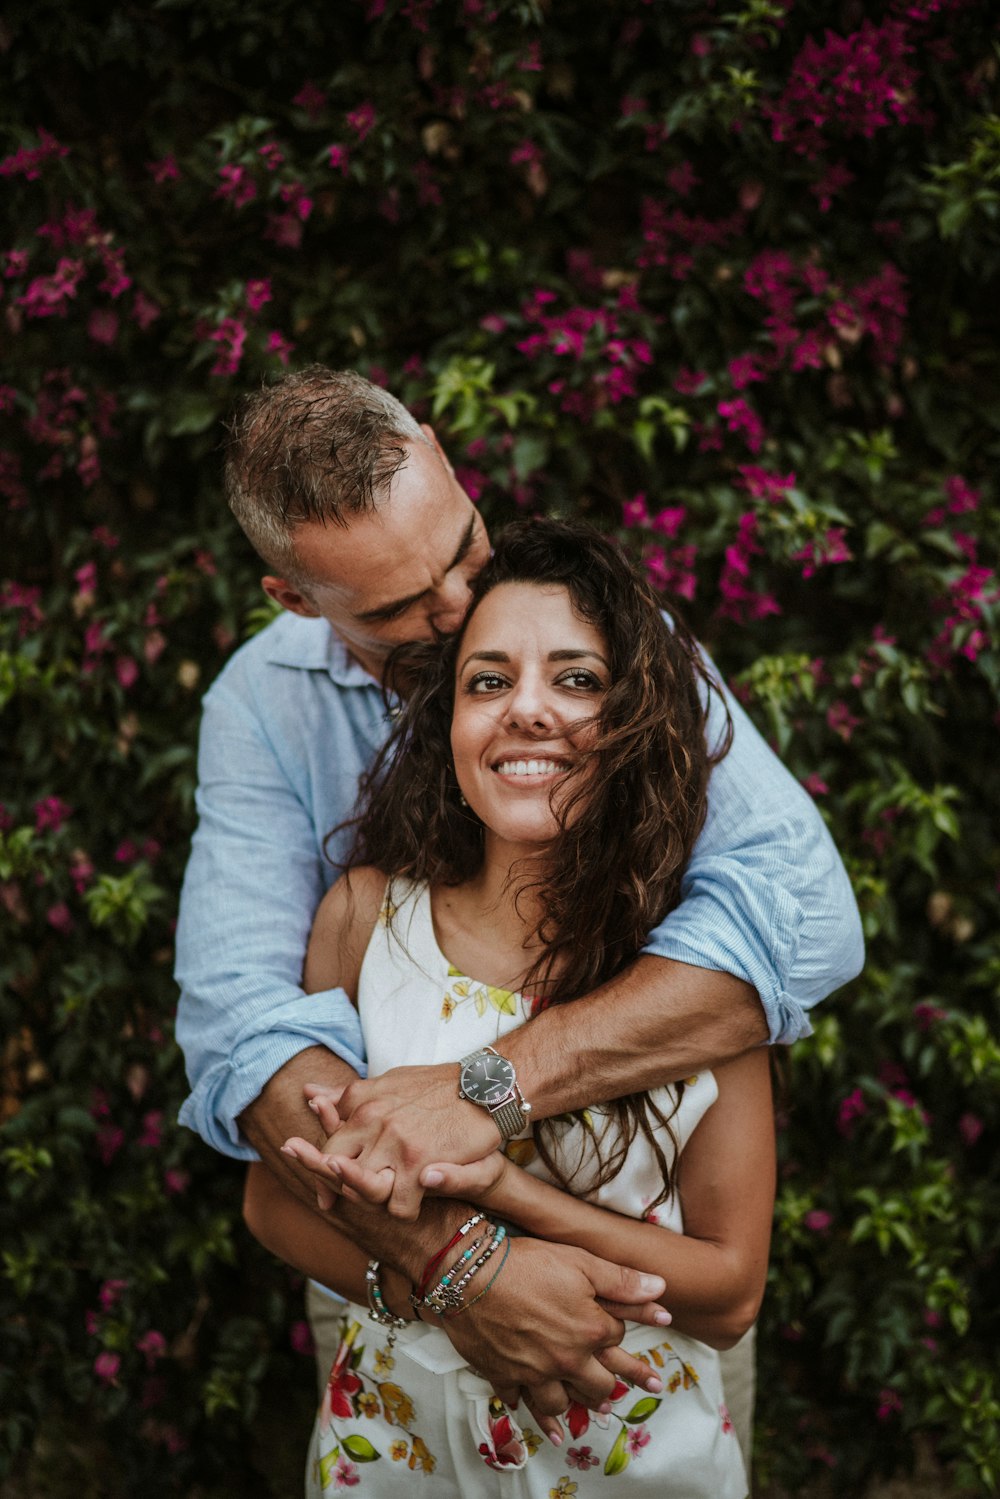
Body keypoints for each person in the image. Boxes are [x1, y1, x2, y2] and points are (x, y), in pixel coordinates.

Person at [174, 366, 863, 1455]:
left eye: (463, 550)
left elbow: (804, 917)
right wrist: (453, 1265)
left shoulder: (610, 644)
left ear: (449, 461)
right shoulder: (264, 708)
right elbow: (242, 1029)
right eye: (400, 610)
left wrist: (483, 1089)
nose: (455, 617)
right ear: (296, 600)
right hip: (387, 1304)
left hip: (639, 1315)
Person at [243, 517, 774, 1496]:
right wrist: (451, 1278)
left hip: (639, 1469)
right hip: (397, 1465)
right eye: (488, 679)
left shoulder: (692, 972)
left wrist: (501, 1189)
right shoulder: (365, 919)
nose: (528, 708)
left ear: (635, 717)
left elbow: (731, 1290)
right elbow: (272, 1195)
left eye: (576, 678)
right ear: (447, 720)